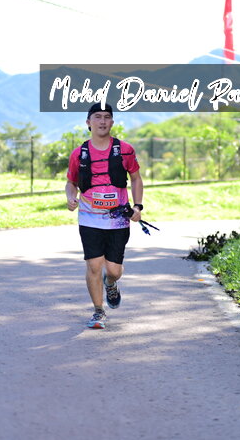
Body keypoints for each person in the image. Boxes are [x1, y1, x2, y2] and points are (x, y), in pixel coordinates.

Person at [65, 102, 144, 329]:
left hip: (118, 219)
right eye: (97, 117)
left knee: (113, 270)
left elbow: (136, 179)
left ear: (112, 122)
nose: (102, 121)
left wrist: (138, 207)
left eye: (106, 117)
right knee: (93, 266)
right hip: (89, 217)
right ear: (88, 122)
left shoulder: (125, 150)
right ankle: (98, 311)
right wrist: (70, 197)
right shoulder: (79, 153)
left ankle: (110, 283)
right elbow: (71, 182)